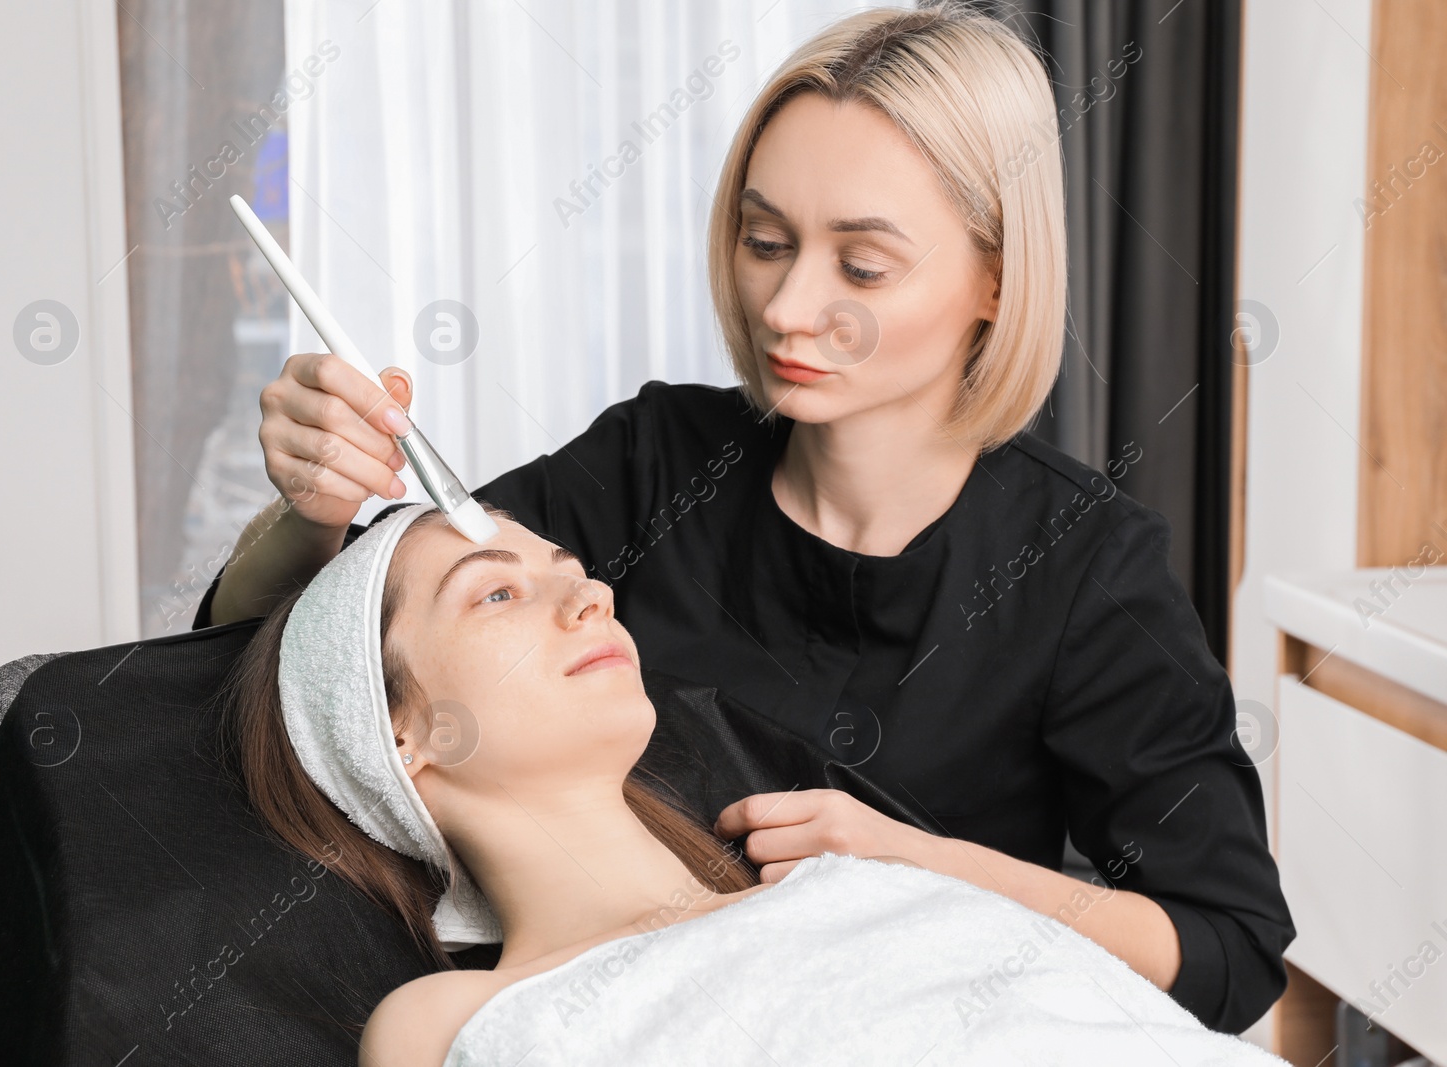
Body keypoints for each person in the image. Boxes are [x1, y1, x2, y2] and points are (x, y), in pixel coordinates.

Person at [199, 3, 1293, 1032]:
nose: (785, 306)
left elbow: (1230, 952)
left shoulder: (1085, 571)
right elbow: (340, 654)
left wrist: (924, 864)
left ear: (995, 280)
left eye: (861, 264)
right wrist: (316, 517)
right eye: (765, 241)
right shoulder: (653, 461)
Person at [231, 503, 1289, 1067]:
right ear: (397, 729)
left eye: (571, 569)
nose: (588, 593)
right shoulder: (447, 1017)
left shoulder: (856, 884)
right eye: (499, 590)